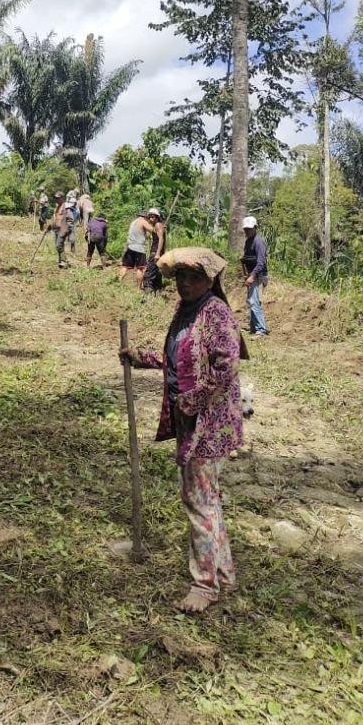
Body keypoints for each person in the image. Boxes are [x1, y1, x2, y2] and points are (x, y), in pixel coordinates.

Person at [120, 247, 245, 612]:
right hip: (191, 419)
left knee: (198, 501)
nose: (185, 284)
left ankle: (204, 585)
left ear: (210, 280)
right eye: (180, 278)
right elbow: (179, 357)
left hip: (209, 423)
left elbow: (227, 369)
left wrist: (194, 399)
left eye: (194, 277)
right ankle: (222, 573)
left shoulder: (217, 313)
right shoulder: (184, 311)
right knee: (208, 499)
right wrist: (141, 357)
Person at [119, 208, 163, 286]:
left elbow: (138, 234)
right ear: (145, 217)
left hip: (130, 247)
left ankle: (119, 282)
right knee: (141, 268)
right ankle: (138, 287)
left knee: (125, 266)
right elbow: (153, 230)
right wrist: (160, 228)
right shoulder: (143, 222)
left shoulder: (133, 222)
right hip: (138, 248)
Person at [242, 215, 269, 336]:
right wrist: (248, 274)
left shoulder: (259, 242)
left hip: (259, 275)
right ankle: (253, 327)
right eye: (245, 229)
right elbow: (249, 259)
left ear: (255, 228)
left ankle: (261, 329)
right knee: (252, 301)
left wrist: (252, 276)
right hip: (252, 274)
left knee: (254, 301)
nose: (247, 231)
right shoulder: (248, 241)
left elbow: (261, 262)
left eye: (249, 229)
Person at [141, 209, 166, 295]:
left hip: (155, 252)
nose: (151, 218)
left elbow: (161, 239)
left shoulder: (158, 225)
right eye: (149, 216)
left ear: (157, 217)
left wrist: (158, 253)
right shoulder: (157, 225)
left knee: (150, 271)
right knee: (157, 271)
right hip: (157, 251)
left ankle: (148, 290)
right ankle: (157, 289)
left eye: (153, 216)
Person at [52, 192, 75, 268]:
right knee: (58, 245)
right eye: (56, 198)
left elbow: (71, 219)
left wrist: (68, 228)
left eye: (58, 198)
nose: (57, 199)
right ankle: (60, 260)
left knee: (59, 245)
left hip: (63, 229)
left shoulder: (66, 208)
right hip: (56, 229)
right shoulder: (57, 207)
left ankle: (63, 261)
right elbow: (55, 218)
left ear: (62, 198)